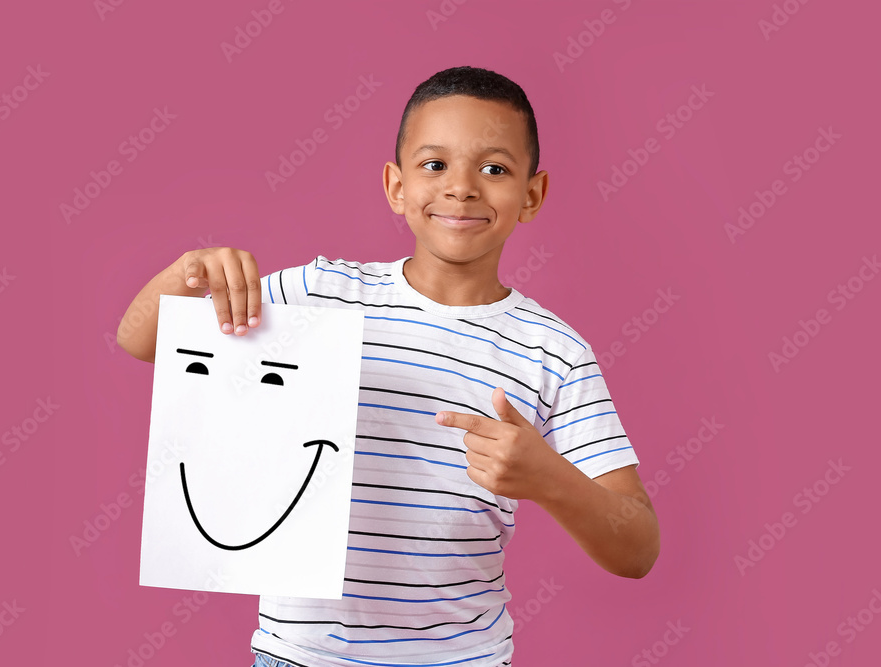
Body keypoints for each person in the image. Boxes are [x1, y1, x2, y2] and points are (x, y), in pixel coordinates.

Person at [117, 65, 660, 667]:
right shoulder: (316, 296)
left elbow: (637, 548)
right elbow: (139, 339)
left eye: (495, 168)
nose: (462, 188)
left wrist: (547, 478)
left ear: (531, 195)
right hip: (298, 656)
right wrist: (188, 273)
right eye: (435, 165)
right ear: (395, 186)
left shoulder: (552, 351)